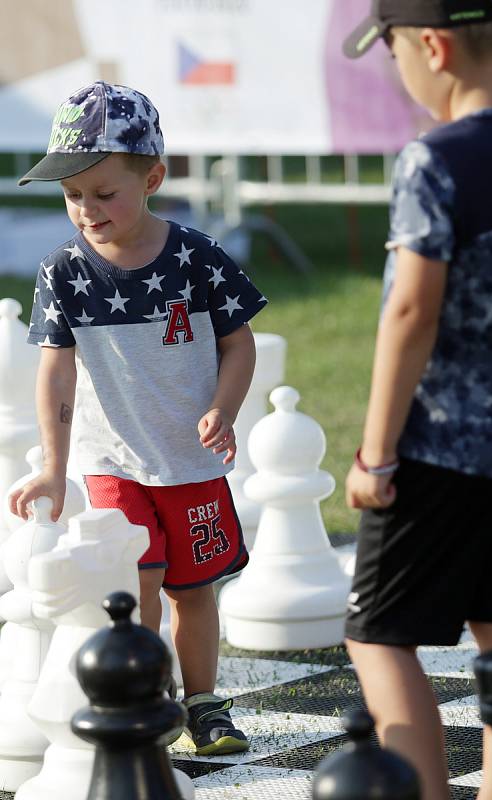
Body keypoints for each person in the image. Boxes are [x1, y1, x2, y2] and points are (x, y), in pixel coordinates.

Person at [9, 80, 267, 756]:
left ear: (152, 177)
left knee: (194, 591)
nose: (86, 210)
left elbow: (238, 341)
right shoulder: (61, 272)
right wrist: (56, 469)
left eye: (103, 192)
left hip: (189, 462)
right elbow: (55, 368)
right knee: (139, 583)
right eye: (72, 197)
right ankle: (149, 700)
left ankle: (203, 702)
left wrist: (223, 407)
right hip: (110, 464)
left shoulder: (196, 255)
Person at [342, 2, 492, 799]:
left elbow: (412, 312)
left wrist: (374, 453)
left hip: (435, 451)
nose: (397, 74)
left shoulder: (435, 159)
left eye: (392, 55)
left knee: (378, 636)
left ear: (433, 45)